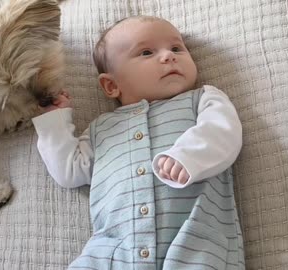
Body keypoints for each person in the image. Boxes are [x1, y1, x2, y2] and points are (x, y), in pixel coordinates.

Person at [32, 15, 245, 270]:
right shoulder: (102, 129)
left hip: (193, 241)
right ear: (111, 85)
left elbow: (222, 132)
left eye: (177, 48)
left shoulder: (203, 99)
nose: (168, 56)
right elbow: (70, 171)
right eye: (146, 52)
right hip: (113, 249)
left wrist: (188, 156)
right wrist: (55, 121)